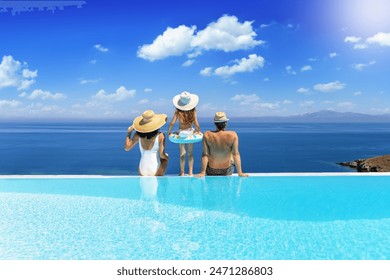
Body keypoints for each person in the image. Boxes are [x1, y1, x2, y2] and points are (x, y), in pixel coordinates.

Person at [198, 112, 248, 177]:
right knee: (233, 154)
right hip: (227, 171)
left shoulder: (207, 134)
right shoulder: (233, 135)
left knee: (205, 153)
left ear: (215, 123)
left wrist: (202, 172)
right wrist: (240, 173)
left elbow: (205, 155)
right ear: (226, 123)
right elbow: (236, 154)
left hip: (211, 171)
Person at [124, 110, 169, 176]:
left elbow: (127, 148)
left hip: (142, 169)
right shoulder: (161, 135)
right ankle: (164, 184)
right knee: (165, 157)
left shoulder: (138, 135)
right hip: (156, 170)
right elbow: (162, 155)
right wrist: (167, 158)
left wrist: (129, 132)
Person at [167, 91, 201, 176]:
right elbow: (196, 123)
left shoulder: (178, 112)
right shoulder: (193, 111)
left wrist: (169, 131)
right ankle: (190, 172)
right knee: (190, 153)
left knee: (182, 153)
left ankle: (182, 172)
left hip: (181, 133)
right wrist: (198, 131)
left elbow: (172, 123)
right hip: (190, 133)